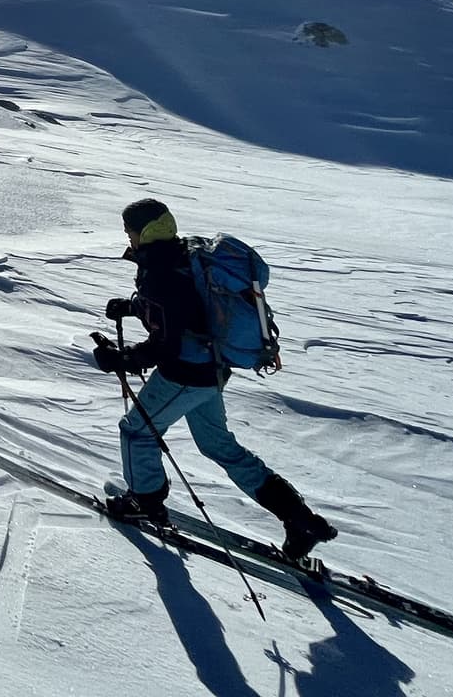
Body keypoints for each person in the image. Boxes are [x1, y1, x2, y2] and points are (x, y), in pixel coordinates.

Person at [94, 197, 338, 562]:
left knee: (135, 430)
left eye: (130, 230)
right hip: (212, 369)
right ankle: (298, 519)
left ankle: (144, 501)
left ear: (146, 232)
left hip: (185, 374)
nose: (127, 237)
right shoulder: (183, 253)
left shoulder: (160, 271)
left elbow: (166, 344)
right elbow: (188, 310)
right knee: (218, 446)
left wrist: (121, 359)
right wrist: (132, 307)